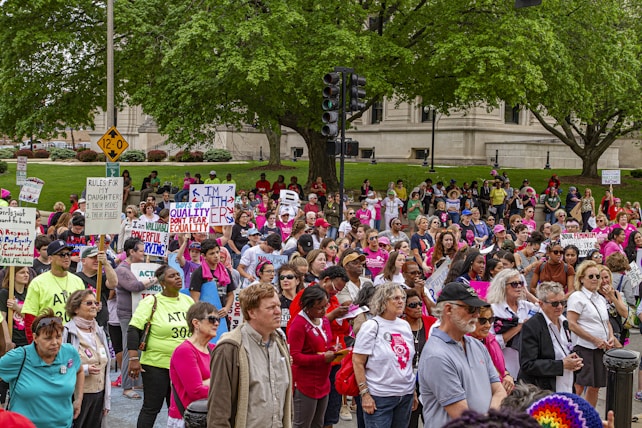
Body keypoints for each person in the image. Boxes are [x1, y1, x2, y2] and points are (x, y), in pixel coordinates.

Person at [418, 282, 506, 427]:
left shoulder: (477, 345)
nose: (477, 315)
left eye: (478, 309)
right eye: (471, 309)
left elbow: (499, 390)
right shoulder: (436, 355)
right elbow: (462, 415)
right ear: (448, 309)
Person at [207, 282, 293, 428]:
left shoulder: (280, 341)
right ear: (251, 312)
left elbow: (285, 398)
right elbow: (218, 411)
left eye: (278, 305)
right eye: (271, 307)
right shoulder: (230, 348)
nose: (278, 311)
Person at [128, 264, 195, 427]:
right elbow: (133, 329)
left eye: (178, 275)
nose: (178, 278)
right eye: (172, 276)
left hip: (183, 366)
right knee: (152, 407)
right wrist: (133, 358)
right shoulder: (151, 302)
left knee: (183, 409)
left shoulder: (188, 300)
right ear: (162, 282)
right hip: (155, 365)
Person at [0, 309, 84, 427]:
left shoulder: (69, 352)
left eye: (58, 337)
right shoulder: (19, 357)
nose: (55, 342)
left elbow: (79, 370)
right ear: (35, 338)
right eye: (48, 338)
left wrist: (79, 399)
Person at [353, 282, 417, 428]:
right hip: (380, 397)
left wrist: (412, 392)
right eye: (395, 298)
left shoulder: (404, 325)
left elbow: (407, 360)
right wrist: (365, 394)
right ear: (383, 301)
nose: (401, 301)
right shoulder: (371, 326)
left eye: (402, 297)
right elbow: (358, 361)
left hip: (405, 395)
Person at [519, 281, 583, 393]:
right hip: (543, 392)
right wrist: (562, 365)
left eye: (563, 302)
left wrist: (575, 363)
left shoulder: (564, 323)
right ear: (541, 304)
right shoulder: (532, 326)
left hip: (566, 387)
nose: (559, 307)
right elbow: (528, 364)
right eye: (554, 304)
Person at [567, 260, 616, 407]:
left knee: (595, 387)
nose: (595, 279)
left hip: (601, 348)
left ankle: (589, 418)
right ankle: (571, 417)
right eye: (591, 276)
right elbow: (572, 324)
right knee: (579, 386)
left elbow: (606, 321)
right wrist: (594, 340)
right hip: (584, 348)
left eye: (597, 276)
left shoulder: (600, 298)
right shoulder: (577, 297)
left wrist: (611, 336)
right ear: (581, 278)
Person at [115, 237, 158, 400]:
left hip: (139, 313)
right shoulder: (122, 270)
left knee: (139, 349)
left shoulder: (138, 268)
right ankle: (127, 386)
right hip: (127, 314)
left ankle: (137, 381)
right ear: (131, 252)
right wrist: (155, 279)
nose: (143, 253)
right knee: (129, 349)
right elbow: (135, 286)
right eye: (140, 250)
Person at [62, 289, 111, 427]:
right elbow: (60, 367)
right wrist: (83, 369)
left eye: (95, 303)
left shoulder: (99, 331)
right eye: (89, 303)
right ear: (75, 308)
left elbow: (106, 367)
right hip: (76, 395)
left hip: (99, 395)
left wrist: (106, 400)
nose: (94, 306)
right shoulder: (67, 333)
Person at [288, 285, 335, 428]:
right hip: (305, 383)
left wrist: (334, 350)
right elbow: (295, 357)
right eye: (319, 308)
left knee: (318, 423)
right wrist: (322, 358)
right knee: (302, 424)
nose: (324, 311)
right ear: (308, 307)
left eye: (325, 306)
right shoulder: (299, 324)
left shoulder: (324, 320)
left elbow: (326, 343)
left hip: (322, 381)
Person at [21, 239, 86, 341]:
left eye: (69, 254)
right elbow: (30, 317)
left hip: (74, 337)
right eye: (62, 254)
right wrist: (33, 346)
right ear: (50, 258)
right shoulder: (38, 283)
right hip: (48, 338)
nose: (67, 257)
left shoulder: (78, 281)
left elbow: (83, 313)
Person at [168, 301, 219, 428]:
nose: (217, 323)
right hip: (186, 420)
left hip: (208, 417)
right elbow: (196, 392)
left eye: (218, 319)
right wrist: (218, 380)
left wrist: (208, 382)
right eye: (212, 319)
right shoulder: (185, 351)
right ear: (196, 323)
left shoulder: (214, 349)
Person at [486, 268, 538, 378]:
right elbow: (491, 343)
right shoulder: (493, 310)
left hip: (528, 368)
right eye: (514, 284)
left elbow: (545, 308)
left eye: (521, 283)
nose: (519, 286)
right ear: (503, 286)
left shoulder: (526, 306)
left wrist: (527, 294)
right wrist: (519, 328)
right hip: (506, 368)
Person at [404, 288, 438, 428]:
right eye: (412, 305)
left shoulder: (431, 323)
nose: (418, 307)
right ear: (404, 308)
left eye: (419, 304)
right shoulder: (399, 325)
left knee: (431, 420)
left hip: (428, 381)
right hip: (407, 381)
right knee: (410, 421)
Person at [468, 305, 514, 394]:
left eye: (490, 320)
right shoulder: (464, 344)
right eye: (482, 321)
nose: (488, 325)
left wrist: (507, 376)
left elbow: (500, 367)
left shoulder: (490, 339)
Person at [189, 239, 236, 321]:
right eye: (212, 253)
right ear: (203, 256)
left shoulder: (226, 271)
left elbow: (230, 294)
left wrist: (227, 308)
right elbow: (195, 299)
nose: (216, 256)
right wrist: (204, 314)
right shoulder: (198, 273)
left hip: (222, 316)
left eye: (217, 252)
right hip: (205, 317)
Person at [74, 246, 118, 329]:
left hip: (101, 324)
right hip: (81, 323)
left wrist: (105, 263)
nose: (97, 260)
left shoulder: (103, 277)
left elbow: (114, 283)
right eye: (93, 258)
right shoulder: (75, 278)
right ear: (83, 261)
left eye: (98, 258)